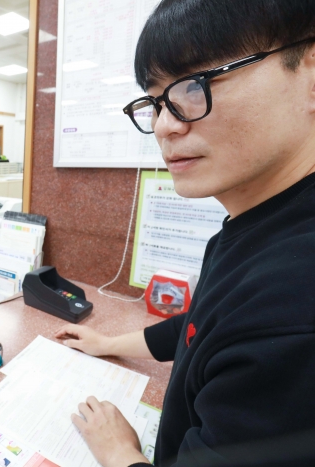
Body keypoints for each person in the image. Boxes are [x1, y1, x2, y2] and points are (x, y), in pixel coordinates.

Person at [57, 1, 315, 466]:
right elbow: (202, 327)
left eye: (193, 86)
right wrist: (109, 344)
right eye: (155, 102)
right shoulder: (258, 225)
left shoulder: (293, 303)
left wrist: (118, 450)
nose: (163, 125)